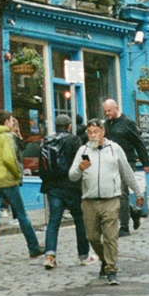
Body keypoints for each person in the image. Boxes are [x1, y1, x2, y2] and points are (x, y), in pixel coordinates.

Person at [68, 118, 141, 286]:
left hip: (111, 199)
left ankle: (111, 269)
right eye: (89, 132)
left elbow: (127, 172)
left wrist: (137, 192)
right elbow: (72, 176)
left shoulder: (114, 149)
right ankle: (104, 259)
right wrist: (80, 168)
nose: (92, 135)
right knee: (92, 236)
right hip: (89, 200)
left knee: (110, 236)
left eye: (96, 132)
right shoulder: (82, 150)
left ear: (103, 132)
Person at [0, 111, 42, 263]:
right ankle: (34, 247)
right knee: (21, 214)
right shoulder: (7, 137)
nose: (13, 124)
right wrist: (16, 174)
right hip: (7, 179)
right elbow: (9, 159)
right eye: (11, 121)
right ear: (6, 122)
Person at [40, 115, 91, 269]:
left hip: (53, 187)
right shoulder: (74, 140)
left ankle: (50, 256)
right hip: (72, 186)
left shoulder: (46, 140)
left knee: (53, 222)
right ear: (69, 126)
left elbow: (42, 167)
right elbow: (83, 160)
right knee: (79, 220)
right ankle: (83, 255)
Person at [102, 99, 149, 236]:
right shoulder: (106, 125)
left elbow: (139, 143)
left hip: (127, 162)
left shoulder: (127, 123)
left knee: (122, 192)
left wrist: (146, 162)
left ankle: (124, 226)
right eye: (105, 111)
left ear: (116, 108)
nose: (107, 113)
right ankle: (133, 212)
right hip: (111, 163)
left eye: (109, 110)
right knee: (114, 193)